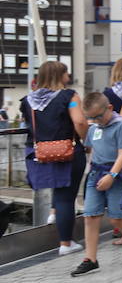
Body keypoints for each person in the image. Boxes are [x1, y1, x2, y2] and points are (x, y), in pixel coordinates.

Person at [21, 61, 88, 256]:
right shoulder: (70, 96)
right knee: (66, 197)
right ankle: (66, 243)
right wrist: (86, 140)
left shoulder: (27, 100)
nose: (69, 76)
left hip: (40, 153)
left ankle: (53, 214)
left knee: (57, 191)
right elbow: (80, 121)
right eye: (67, 72)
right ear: (60, 75)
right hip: (67, 151)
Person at [70, 91, 122, 276]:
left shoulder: (121, 126)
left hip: (116, 175)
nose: (96, 120)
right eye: (91, 118)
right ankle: (90, 258)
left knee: (117, 217)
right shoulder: (94, 128)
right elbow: (92, 150)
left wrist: (111, 175)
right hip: (95, 175)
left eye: (98, 116)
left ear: (109, 108)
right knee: (90, 216)